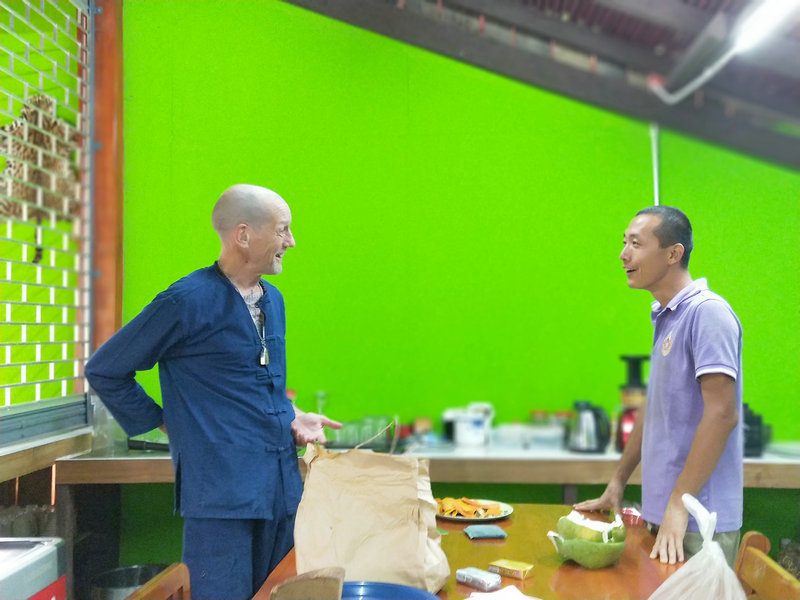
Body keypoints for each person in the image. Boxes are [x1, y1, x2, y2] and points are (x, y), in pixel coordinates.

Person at [85, 184, 341, 600]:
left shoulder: (272, 300)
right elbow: (106, 369)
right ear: (243, 235)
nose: (291, 241)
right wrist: (166, 422)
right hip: (222, 499)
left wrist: (292, 416)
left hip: (281, 491)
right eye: (283, 230)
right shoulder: (185, 301)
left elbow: (255, 382)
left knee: (283, 595)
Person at [574, 205, 743, 566]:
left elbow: (722, 414)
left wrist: (679, 503)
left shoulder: (707, 313)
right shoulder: (666, 316)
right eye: (624, 242)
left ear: (672, 253)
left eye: (636, 244)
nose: (623, 254)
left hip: (697, 519)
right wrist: (618, 480)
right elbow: (654, 406)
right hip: (666, 512)